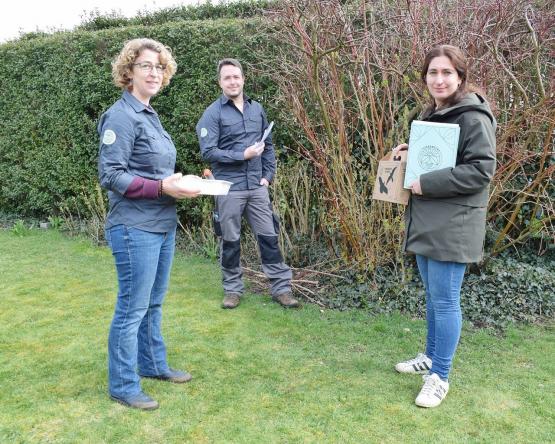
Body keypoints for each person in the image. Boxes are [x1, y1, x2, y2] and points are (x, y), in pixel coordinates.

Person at [98, 38, 200, 410]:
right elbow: (111, 175)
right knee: (132, 308)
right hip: (133, 227)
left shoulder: (148, 113)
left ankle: (153, 364)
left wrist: (180, 182)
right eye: (146, 66)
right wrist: (162, 186)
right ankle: (123, 385)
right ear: (129, 72)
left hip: (161, 222)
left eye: (159, 67)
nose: (154, 72)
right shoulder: (121, 116)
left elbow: (154, 171)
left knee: (153, 303)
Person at [393, 45, 496, 408]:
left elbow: (482, 169)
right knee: (435, 300)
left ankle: (440, 377)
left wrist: (428, 182)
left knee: (446, 300)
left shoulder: (472, 117)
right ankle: (431, 358)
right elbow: (441, 158)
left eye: (447, 73)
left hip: (454, 223)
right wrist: (413, 153)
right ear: (425, 78)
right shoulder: (433, 113)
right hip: (427, 218)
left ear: (460, 77)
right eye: (433, 72)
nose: (439, 79)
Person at [196, 58, 298, 309]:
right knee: (230, 241)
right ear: (220, 82)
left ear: (243, 79)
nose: (232, 81)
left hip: (257, 187)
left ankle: (281, 289)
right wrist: (242, 155)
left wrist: (268, 175)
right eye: (227, 77)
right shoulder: (212, 113)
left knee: (269, 238)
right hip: (228, 188)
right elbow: (208, 152)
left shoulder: (257, 109)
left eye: (236, 76)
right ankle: (232, 290)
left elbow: (269, 146)